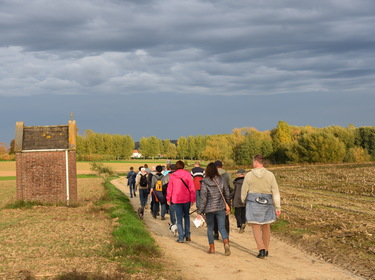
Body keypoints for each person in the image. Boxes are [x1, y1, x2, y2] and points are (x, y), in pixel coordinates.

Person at [241, 155, 281, 259]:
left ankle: (261, 249)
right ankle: (266, 249)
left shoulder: (249, 175)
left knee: (256, 226)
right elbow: (275, 191)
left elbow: (244, 190)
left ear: (255, 163)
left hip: (253, 202)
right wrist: (278, 207)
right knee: (266, 226)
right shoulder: (270, 175)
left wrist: (242, 200)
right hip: (267, 202)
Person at [197, 162, 231, 256]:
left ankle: (212, 248)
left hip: (209, 209)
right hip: (220, 207)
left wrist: (200, 211)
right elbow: (227, 194)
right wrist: (228, 205)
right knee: (221, 227)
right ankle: (226, 242)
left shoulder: (204, 182)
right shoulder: (221, 179)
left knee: (210, 228)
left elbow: (203, 198)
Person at [166, 160, 196, 243]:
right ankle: (188, 235)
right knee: (186, 216)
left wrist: (168, 199)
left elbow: (170, 189)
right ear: (183, 166)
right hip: (186, 199)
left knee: (179, 219)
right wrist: (193, 199)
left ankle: (181, 237)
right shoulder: (188, 175)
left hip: (176, 199)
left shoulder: (173, 176)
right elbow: (192, 188)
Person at [213, 160, 234, 239]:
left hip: (214, 198)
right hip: (225, 198)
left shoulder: (211, 175)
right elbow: (232, 187)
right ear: (222, 166)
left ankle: (215, 233)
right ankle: (226, 234)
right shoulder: (227, 175)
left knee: (214, 216)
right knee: (225, 216)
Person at [232, 169, 246, 233]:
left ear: (239, 174)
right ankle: (243, 223)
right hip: (245, 199)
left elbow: (233, 191)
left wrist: (230, 197)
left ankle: (240, 224)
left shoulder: (235, 181)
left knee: (237, 213)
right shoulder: (247, 181)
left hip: (237, 199)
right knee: (243, 212)